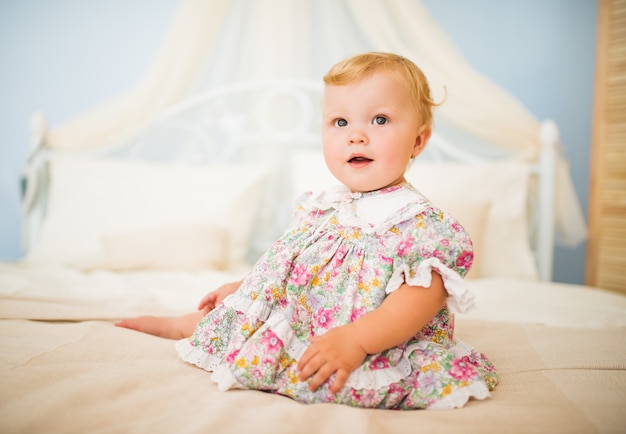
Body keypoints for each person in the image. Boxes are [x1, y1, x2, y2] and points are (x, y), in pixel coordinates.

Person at [116, 52, 498, 409]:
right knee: (239, 316)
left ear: (418, 140)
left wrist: (357, 340)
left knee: (333, 367)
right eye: (340, 122)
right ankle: (180, 325)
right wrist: (247, 287)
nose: (356, 135)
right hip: (308, 317)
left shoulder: (420, 225)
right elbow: (293, 266)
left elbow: (417, 303)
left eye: (379, 120)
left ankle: (188, 327)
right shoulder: (324, 206)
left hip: (368, 339)